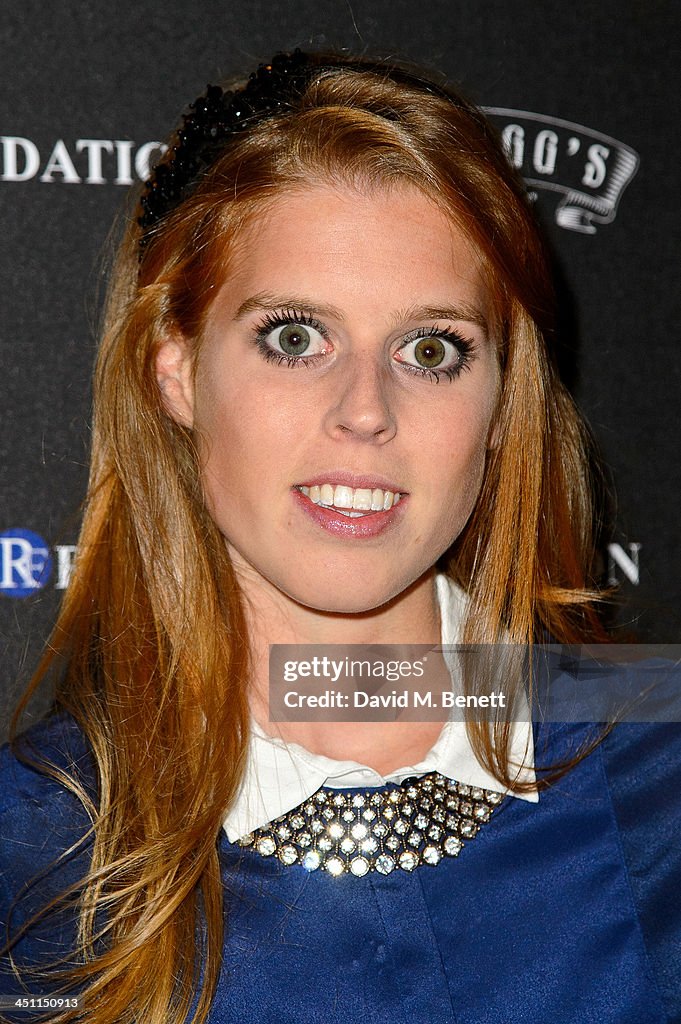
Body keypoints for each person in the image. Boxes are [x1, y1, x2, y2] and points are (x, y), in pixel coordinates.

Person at [1, 49, 679, 1024]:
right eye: (293, 337)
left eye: (432, 348)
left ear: (499, 405)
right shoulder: (33, 863)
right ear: (177, 371)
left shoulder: (660, 761)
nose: (365, 411)